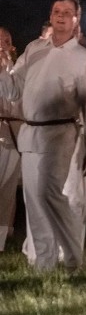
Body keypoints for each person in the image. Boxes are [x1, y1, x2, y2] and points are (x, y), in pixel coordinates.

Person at [0, 0, 86, 271]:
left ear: (76, 19)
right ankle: (43, 264)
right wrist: (1, 63)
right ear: (51, 15)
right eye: (57, 11)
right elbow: (11, 90)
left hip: (61, 135)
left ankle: (71, 258)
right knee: (33, 198)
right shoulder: (34, 49)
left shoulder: (83, 58)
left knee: (52, 197)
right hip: (31, 135)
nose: (60, 16)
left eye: (67, 12)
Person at [0, 27, 22, 251]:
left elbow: (16, 98)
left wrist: (5, 69)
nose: (2, 44)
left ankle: (1, 240)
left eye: (5, 40)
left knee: (6, 189)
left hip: (12, 132)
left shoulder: (18, 71)